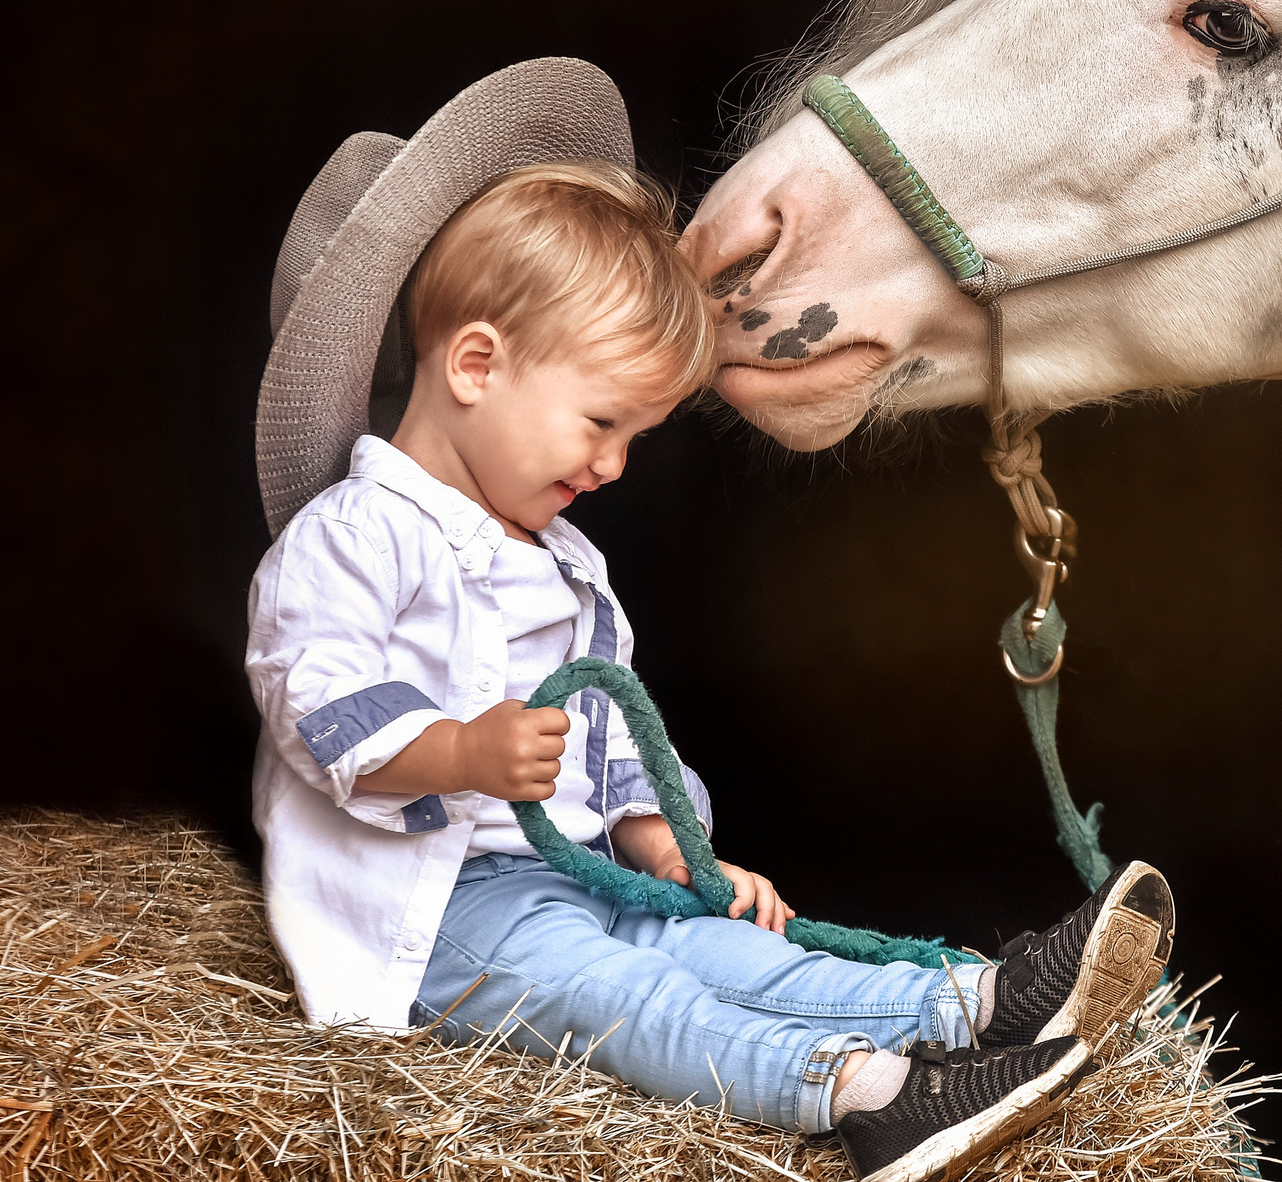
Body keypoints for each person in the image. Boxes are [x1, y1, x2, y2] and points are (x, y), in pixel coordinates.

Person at [245, 60, 1176, 1182]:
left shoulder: (565, 564)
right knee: (625, 996)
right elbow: (316, 699)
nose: (613, 463)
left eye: (634, 433)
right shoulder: (354, 533)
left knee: (723, 947)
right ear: (477, 363)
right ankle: (864, 1094)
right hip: (439, 912)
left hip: (574, 875)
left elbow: (616, 746)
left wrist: (662, 837)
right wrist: (462, 750)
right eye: (601, 421)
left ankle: (973, 1002)